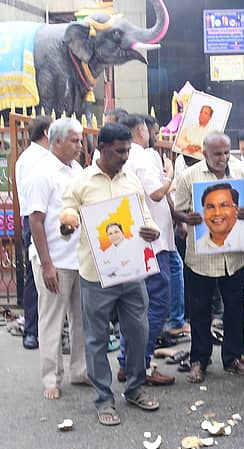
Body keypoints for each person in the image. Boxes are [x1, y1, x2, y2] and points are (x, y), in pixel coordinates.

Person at [61, 123, 161, 426]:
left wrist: (152, 231)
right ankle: (104, 399)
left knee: (138, 332)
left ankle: (135, 388)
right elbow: (67, 218)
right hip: (96, 276)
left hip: (132, 273)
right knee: (96, 339)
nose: (125, 156)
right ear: (101, 149)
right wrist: (67, 225)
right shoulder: (81, 183)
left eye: (128, 150)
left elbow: (145, 219)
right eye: (120, 151)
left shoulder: (132, 181)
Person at [173, 132, 244, 384]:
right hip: (201, 259)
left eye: (226, 153)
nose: (223, 158)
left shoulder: (240, 172)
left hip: (234, 256)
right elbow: (177, 210)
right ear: (204, 154)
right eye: (217, 154)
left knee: (234, 309)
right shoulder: (190, 176)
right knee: (200, 310)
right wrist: (186, 218)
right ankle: (199, 360)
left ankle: (233, 358)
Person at [24, 117, 86, 400]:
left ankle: (80, 371)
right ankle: (51, 378)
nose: (80, 146)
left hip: (79, 259)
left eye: (80, 140)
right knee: (52, 321)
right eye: (75, 140)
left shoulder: (78, 171)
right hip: (55, 262)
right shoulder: (42, 173)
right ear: (57, 141)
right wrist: (47, 264)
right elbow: (35, 221)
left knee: (81, 320)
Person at [117, 114, 176, 386]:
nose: (155, 134)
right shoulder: (142, 156)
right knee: (156, 304)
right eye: (151, 130)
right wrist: (170, 175)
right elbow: (156, 193)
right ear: (141, 130)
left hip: (137, 240)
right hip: (154, 243)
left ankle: (127, 361)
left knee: (136, 306)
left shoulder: (126, 157)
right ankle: (141, 363)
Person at [16, 115, 51, 350]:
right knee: (35, 274)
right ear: (47, 132)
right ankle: (32, 330)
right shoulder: (32, 159)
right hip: (36, 220)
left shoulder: (45, 157)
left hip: (49, 219)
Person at [195, 183, 244, 253]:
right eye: (210, 207)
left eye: (224, 205)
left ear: (236, 209)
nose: (217, 213)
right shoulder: (198, 246)